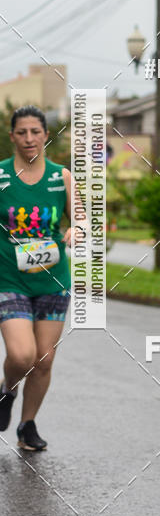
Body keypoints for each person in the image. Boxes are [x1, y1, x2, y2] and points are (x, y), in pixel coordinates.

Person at [0, 106, 77, 450]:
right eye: (22, 132)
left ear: (46, 134)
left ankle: (27, 425)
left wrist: (77, 229)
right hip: (9, 279)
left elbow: (81, 218)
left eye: (35, 132)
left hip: (52, 281)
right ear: (12, 136)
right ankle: (7, 390)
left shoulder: (62, 177)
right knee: (22, 355)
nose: (29, 138)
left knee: (43, 359)